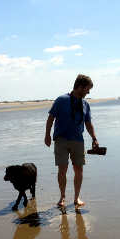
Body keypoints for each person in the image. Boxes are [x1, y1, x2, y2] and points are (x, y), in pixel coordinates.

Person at [44, 74, 99, 206]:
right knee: (62, 170)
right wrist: (47, 135)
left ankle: (76, 198)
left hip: (78, 140)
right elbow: (51, 118)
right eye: (87, 89)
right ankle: (62, 197)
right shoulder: (61, 100)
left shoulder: (85, 104)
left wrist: (94, 138)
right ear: (80, 87)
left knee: (79, 170)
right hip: (61, 140)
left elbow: (88, 123)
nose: (88, 92)